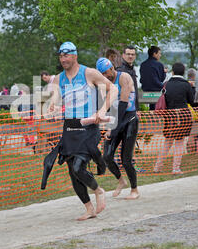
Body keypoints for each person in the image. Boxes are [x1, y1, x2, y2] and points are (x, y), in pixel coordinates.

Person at [46, 42, 118, 221]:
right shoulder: (58, 78)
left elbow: (113, 89)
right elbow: (55, 99)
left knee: (79, 167)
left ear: (75, 56)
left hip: (88, 128)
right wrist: (53, 106)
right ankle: (89, 208)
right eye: (61, 56)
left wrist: (102, 111)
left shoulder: (89, 73)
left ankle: (98, 190)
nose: (63, 59)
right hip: (70, 128)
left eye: (67, 55)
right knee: (73, 172)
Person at [96, 57, 140, 200]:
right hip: (116, 119)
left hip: (129, 120)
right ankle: (121, 180)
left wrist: (113, 128)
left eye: (105, 73)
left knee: (126, 159)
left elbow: (123, 104)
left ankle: (134, 189)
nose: (104, 76)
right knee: (107, 156)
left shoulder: (124, 77)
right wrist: (108, 124)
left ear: (111, 68)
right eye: (101, 74)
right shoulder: (105, 83)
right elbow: (108, 106)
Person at [153, 62, 194, 174]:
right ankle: (176, 168)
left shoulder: (166, 84)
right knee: (180, 142)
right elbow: (191, 100)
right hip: (183, 115)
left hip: (169, 116)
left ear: (173, 72)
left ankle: (158, 166)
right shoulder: (186, 85)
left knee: (167, 142)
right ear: (183, 72)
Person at [139, 46, 165, 110]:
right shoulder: (159, 65)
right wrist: (164, 72)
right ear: (154, 54)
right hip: (156, 91)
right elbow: (161, 79)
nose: (160, 55)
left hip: (145, 90)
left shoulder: (143, 64)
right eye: (159, 53)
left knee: (150, 108)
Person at [117, 45, 140, 110]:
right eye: (128, 54)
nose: (130, 56)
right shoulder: (120, 71)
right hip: (125, 108)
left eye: (132, 54)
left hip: (134, 107)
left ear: (135, 56)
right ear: (123, 55)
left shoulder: (132, 70)